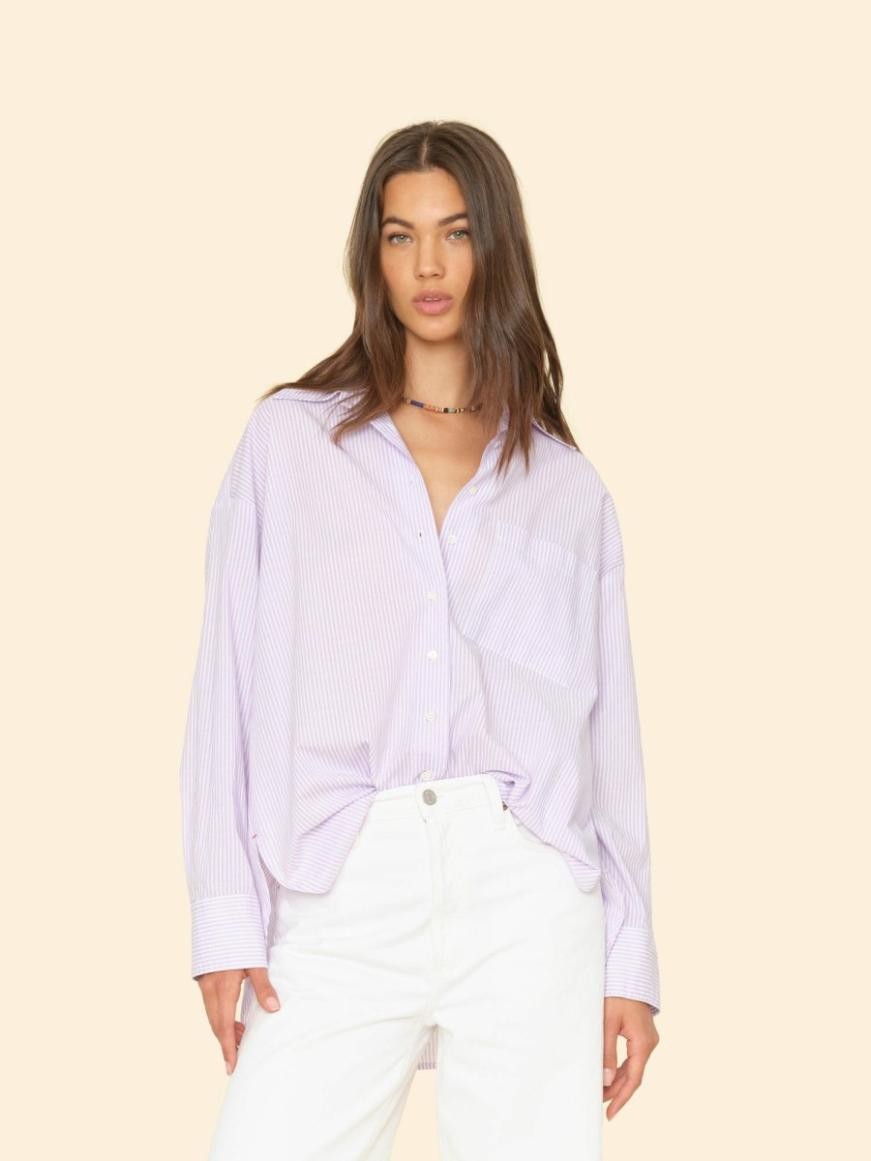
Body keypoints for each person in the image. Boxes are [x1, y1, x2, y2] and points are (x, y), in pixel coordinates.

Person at [179, 119, 661, 1161]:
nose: (428, 265)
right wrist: (225, 918)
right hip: (341, 875)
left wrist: (630, 959)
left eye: (455, 232)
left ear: (496, 246)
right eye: (401, 236)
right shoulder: (290, 441)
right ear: (373, 254)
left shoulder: (566, 487)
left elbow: (608, 740)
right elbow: (227, 687)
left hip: (527, 891)